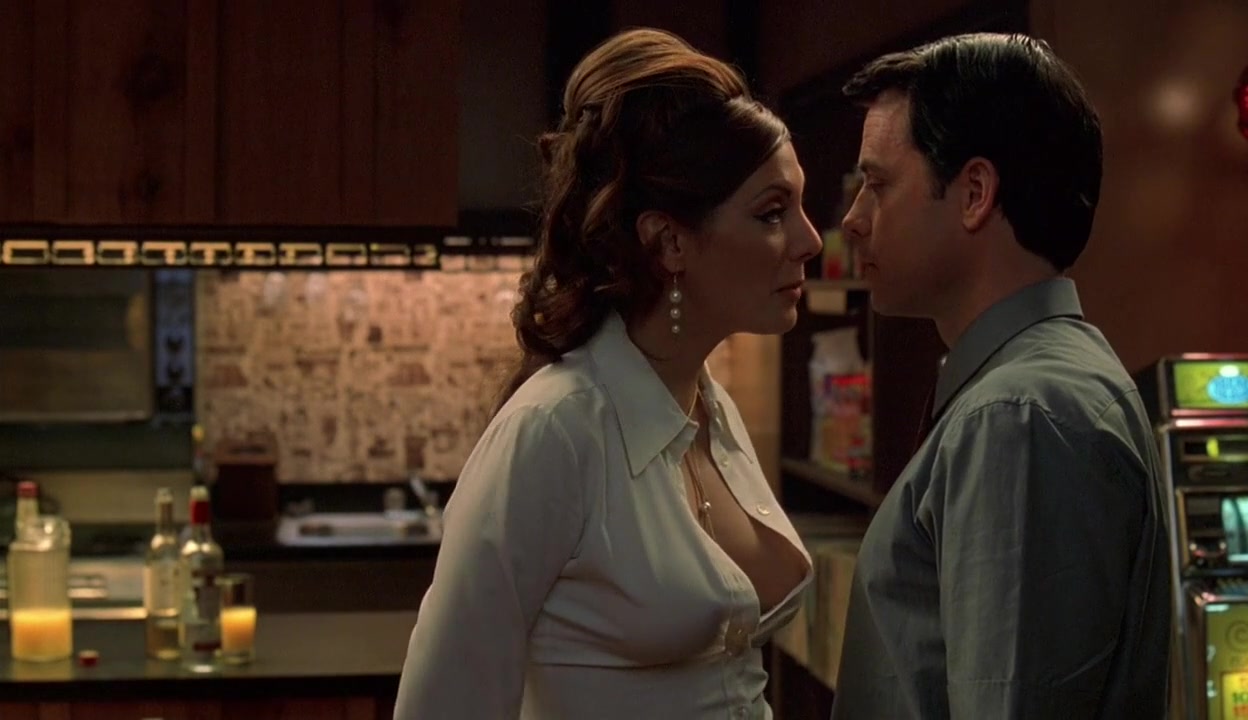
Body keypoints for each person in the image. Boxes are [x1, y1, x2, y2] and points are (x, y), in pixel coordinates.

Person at [394, 28, 822, 719]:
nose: (809, 240)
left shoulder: (710, 409)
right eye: (772, 212)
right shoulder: (555, 430)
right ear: (669, 241)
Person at [829, 33, 1170, 719]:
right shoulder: (1030, 388)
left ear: (975, 193)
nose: (853, 220)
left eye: (878, 184)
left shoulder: (1019, 413)